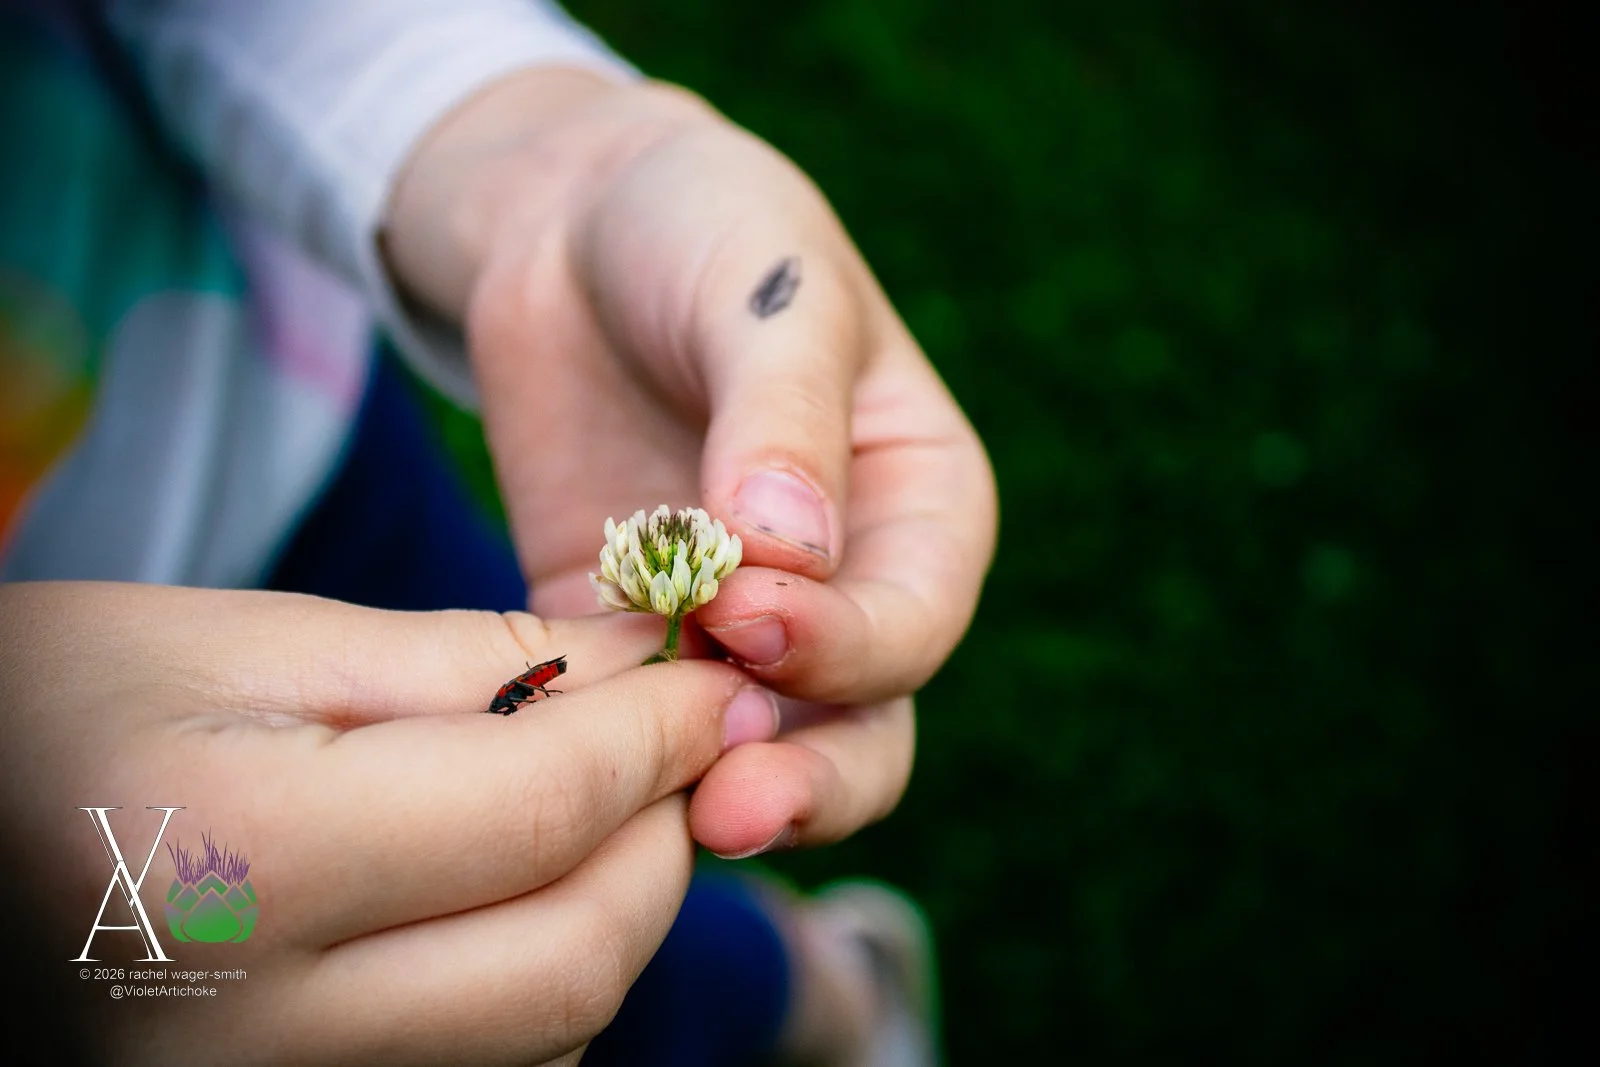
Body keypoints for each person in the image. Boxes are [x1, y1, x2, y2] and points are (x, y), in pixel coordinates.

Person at [0, 2, 996, 1064]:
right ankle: (807, 991)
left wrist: (562, 177)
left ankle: (817, 989)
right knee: (455, 957)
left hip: (292, 456)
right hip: (56, 772)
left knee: (581, 838)